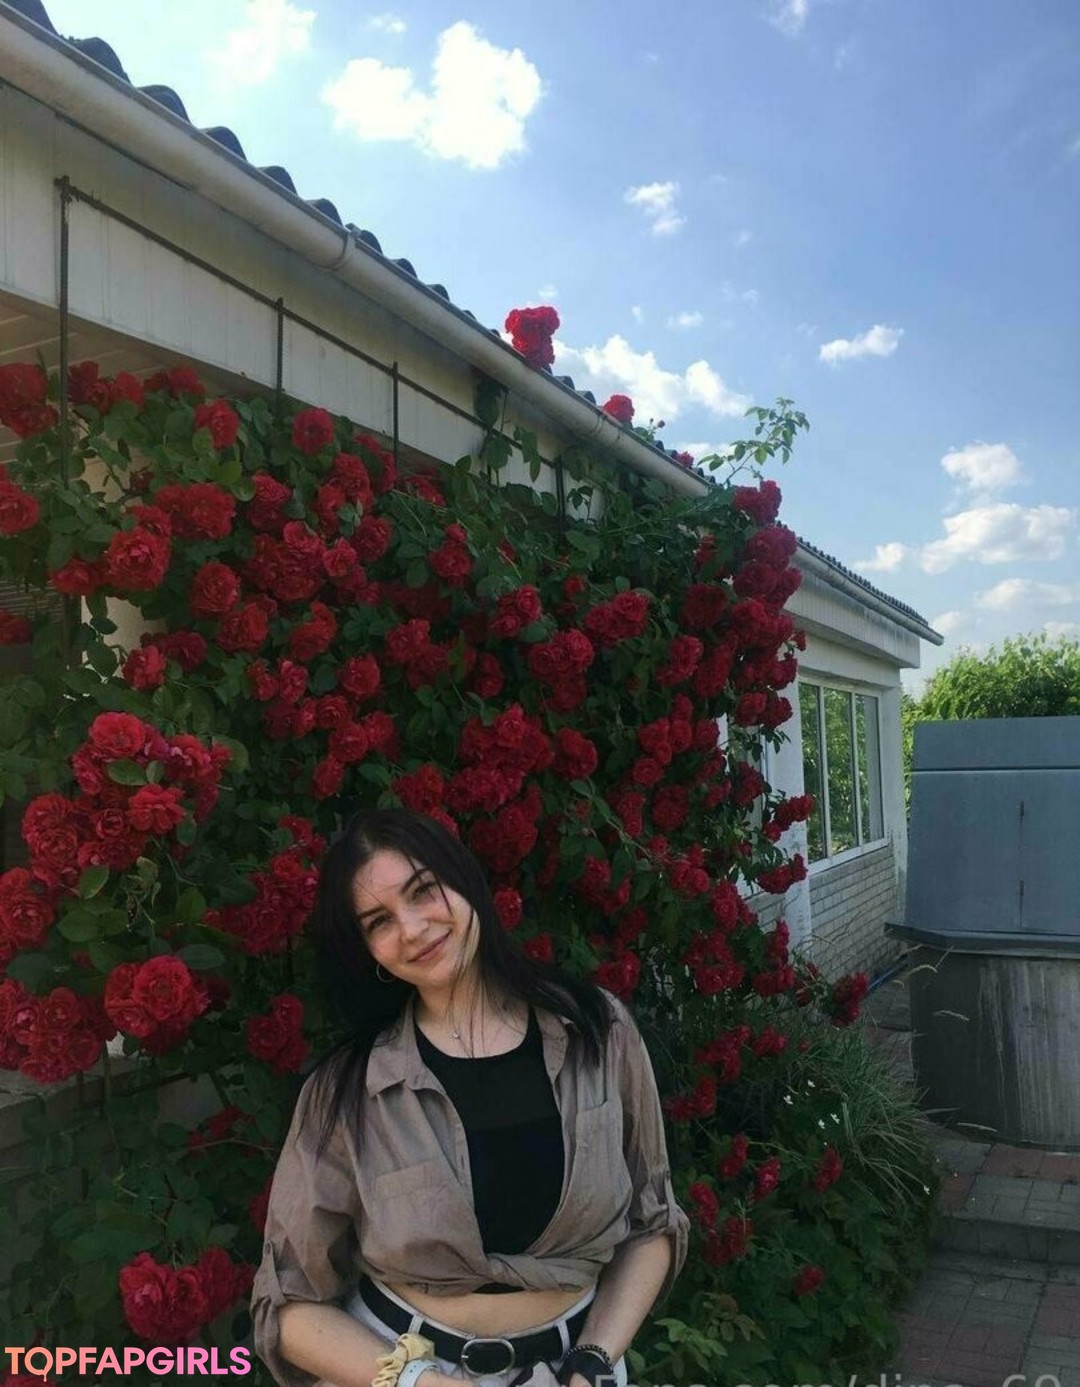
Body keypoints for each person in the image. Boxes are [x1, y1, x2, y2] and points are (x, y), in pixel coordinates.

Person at [252, 808, 688, 1387]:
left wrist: (592, 1363)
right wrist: (423, 1383)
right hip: (406, 1373)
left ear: (465, 881)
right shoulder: (348, 1090)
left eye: (422, 891)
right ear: (367, 950)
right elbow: (288, 1307)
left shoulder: (596, 1030)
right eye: (380, 921)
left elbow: (652, 1222)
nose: (412, 928)